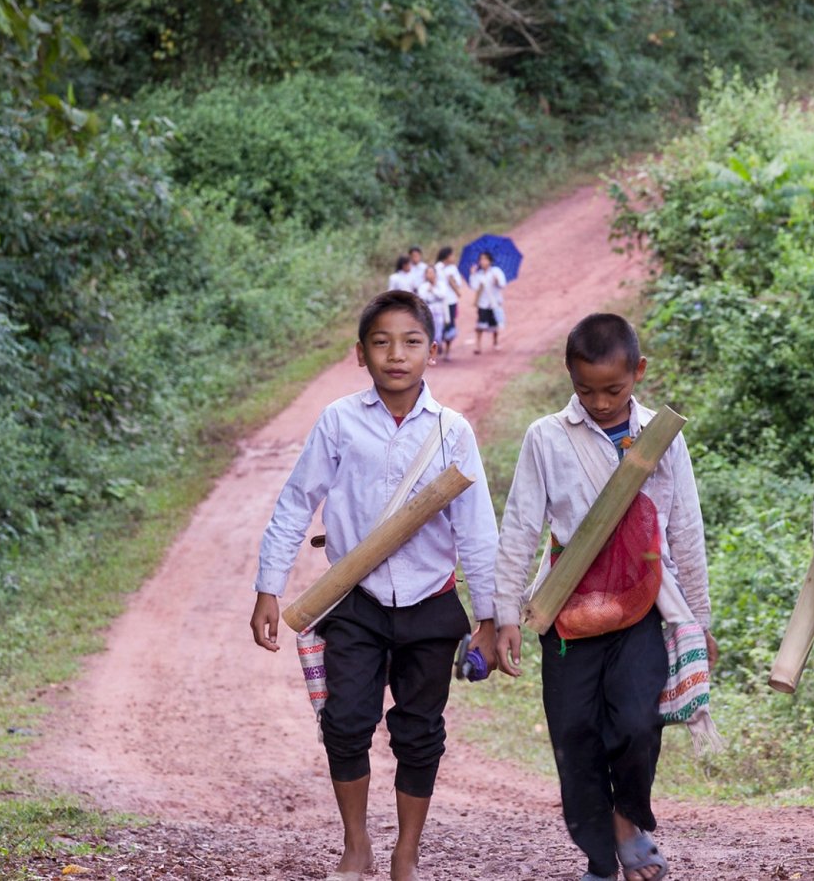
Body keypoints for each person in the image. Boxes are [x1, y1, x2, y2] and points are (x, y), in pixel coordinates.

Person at [246, 290, 501, 881]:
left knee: (419, 733)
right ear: (360, 354)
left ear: (433, 352)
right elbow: (295, 504)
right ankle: (355, 844)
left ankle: (406, 853)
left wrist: (488, 618)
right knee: (344, 723)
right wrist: (269, 587)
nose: (396, 355)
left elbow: (477, 529)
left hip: (430, 604)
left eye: (411, 342)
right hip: (355, 602)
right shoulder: (338, 421)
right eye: (381, 342)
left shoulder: (452, 431)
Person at [491, 313, 715, 881]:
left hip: (644, 604)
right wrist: (505, 614)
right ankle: (599, 857)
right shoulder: (547, 436)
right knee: (574, 733)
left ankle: (625, 822)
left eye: (614, 389)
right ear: (569, 376)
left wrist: (699, 618)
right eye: (585, 390)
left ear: (637, 372)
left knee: (639, 723)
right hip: (566, 609)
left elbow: (685, 525)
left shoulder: (661, 435)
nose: (600, 402)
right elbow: (521, 525)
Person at [468, 251, 508, 354]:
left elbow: (502, 284)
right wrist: (472, 274)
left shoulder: (496, 271)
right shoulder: (479, 274)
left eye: (485, 259)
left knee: (494, 325)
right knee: (480, 325)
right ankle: (478, 345)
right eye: (481, 259)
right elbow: (474, 287)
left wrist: (497, 281)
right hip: (483, 303)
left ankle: (495, 342)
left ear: (490, 261)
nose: (483, 261)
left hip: (494, 302)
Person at [416, 264, 453, 362]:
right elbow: (422, 297)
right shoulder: (423, 286)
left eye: (432, 273)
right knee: (428, 331)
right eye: (428, 273)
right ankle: (430, 353)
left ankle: (438, 344)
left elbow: (443, 295)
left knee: (438, 331)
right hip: (428, 310)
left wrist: (433, 291)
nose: (430, 275)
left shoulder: (441, 285)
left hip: (439, 310)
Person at [433, 246, 465, 360]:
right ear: (446, 256)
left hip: (451, 300)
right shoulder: (437, 268)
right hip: (439, 302)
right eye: (452, 255)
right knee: (438, 325)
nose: (453, 257)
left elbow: (459, 285)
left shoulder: (453, 269)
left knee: (450, 324)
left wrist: (452, 280)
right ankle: (438, 345)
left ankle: (447, 351)